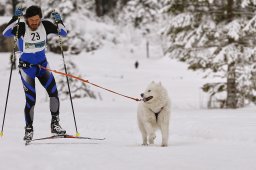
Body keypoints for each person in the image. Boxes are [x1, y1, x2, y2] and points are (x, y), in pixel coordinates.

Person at [2, 5, 68, 142]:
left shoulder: (45, 25)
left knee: (54, 93)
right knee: (31, 100)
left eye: (37, 20)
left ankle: (55, 124)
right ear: (26, 19)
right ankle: (29, 129)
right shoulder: (21, 27)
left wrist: (59, 21)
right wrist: (15, 17)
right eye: (32, 20)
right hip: (27, 69)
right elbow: (6, 33)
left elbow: (63, 33)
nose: (34, 23)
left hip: (43, 66)